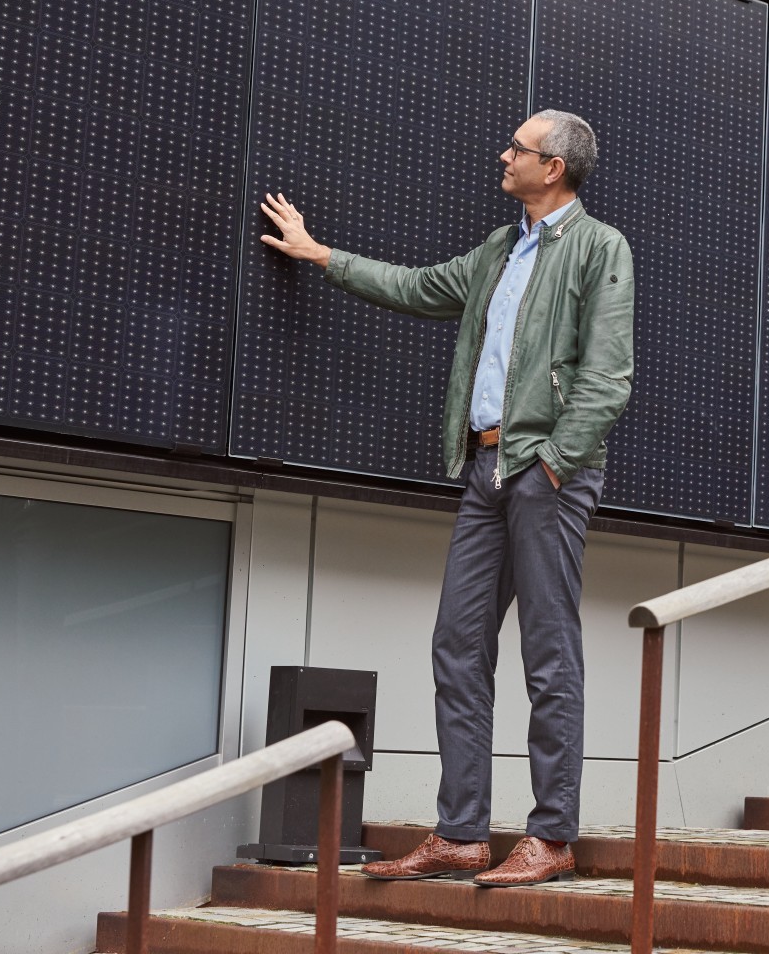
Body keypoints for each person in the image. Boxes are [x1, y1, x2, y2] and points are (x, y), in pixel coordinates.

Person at [256, 109, 635, 887]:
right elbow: (419, 286)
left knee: (547, 652)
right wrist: (320, 253)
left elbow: (608, 377)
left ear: (553, 167)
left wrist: (556, 464)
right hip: (485, 470)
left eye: (518, 149)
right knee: (457, 645)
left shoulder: (600, 248)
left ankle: (552, 836)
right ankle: (462, 833)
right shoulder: (502, 249)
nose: (504, 156)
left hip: (544, 474)